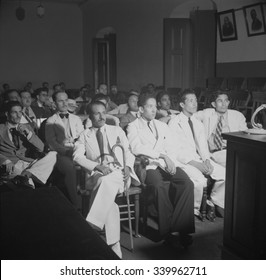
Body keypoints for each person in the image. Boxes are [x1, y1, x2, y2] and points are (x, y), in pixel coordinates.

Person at [127, 93, 195, 247]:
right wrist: (162, 155)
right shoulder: (133, 126)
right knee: (159, 186)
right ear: (141, 108)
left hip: (166, 163)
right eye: (150, 107)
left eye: (155, 107)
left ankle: (182, 229)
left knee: (186, 183)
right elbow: (136, 147)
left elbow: (172, 146)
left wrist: (169, 160)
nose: (153, 110)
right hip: (148, 165)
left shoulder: (162, 125)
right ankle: (167, 233)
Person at [73, 100, 139, 258]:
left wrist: (128, 168)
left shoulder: (116, 130)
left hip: (120, 174)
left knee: (106, 182)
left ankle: (93, 224)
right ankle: (114, 245)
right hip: (97, 175)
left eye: (103, 112)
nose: (101, 116)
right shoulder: (84, 135)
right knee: (109, 201)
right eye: (97, 113)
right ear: (90, 116)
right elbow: (76, 157)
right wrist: (97, 167)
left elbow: (128, 152)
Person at [168, 89, 226, 218]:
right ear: (182, 105)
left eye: (195, 100)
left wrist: (206, 160)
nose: (195, 103)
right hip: (185, 162)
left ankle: (213, 201)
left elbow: (203, 146)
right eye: (191, 100)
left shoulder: (197, 123)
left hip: (200, 159)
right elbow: (176, 151)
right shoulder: (174, 123)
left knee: (224, 174)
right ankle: (194, 210)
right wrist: (196, 164)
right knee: (199, 181)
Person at [0, 101, 56, 187]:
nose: (19, 115)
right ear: (7, 114)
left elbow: (41, 148)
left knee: (53, 154)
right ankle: (26, 177)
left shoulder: (27, 127)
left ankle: (27, 174)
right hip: (12, 165)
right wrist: (5, 160)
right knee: (28, 186)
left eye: (20, 112)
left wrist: (28, 134)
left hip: (28, 162)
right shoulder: (1, 129)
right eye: (15, 112)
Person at [45, 91, 84, 209]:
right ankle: (78, 204)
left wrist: (77, 149)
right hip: (61, 155)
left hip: (78, 150)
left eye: (66, 100)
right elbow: (52, 143)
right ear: (54, 103)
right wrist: (66, 151)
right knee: (71, 169)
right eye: (60, 101)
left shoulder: (76, 118)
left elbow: (82, 137)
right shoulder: (51, 121)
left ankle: (91, 200)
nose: (64, 103)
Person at [194, 90, 247, 167]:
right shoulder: (207, 113)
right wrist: (169, 117)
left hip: (229, 152)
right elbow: (189, 116)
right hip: (211, 154)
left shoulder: (238, 116)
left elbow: (245, 135)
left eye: (226, 101)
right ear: (214, 104)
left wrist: (256, 128)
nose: (224, 104)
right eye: (220, 101)